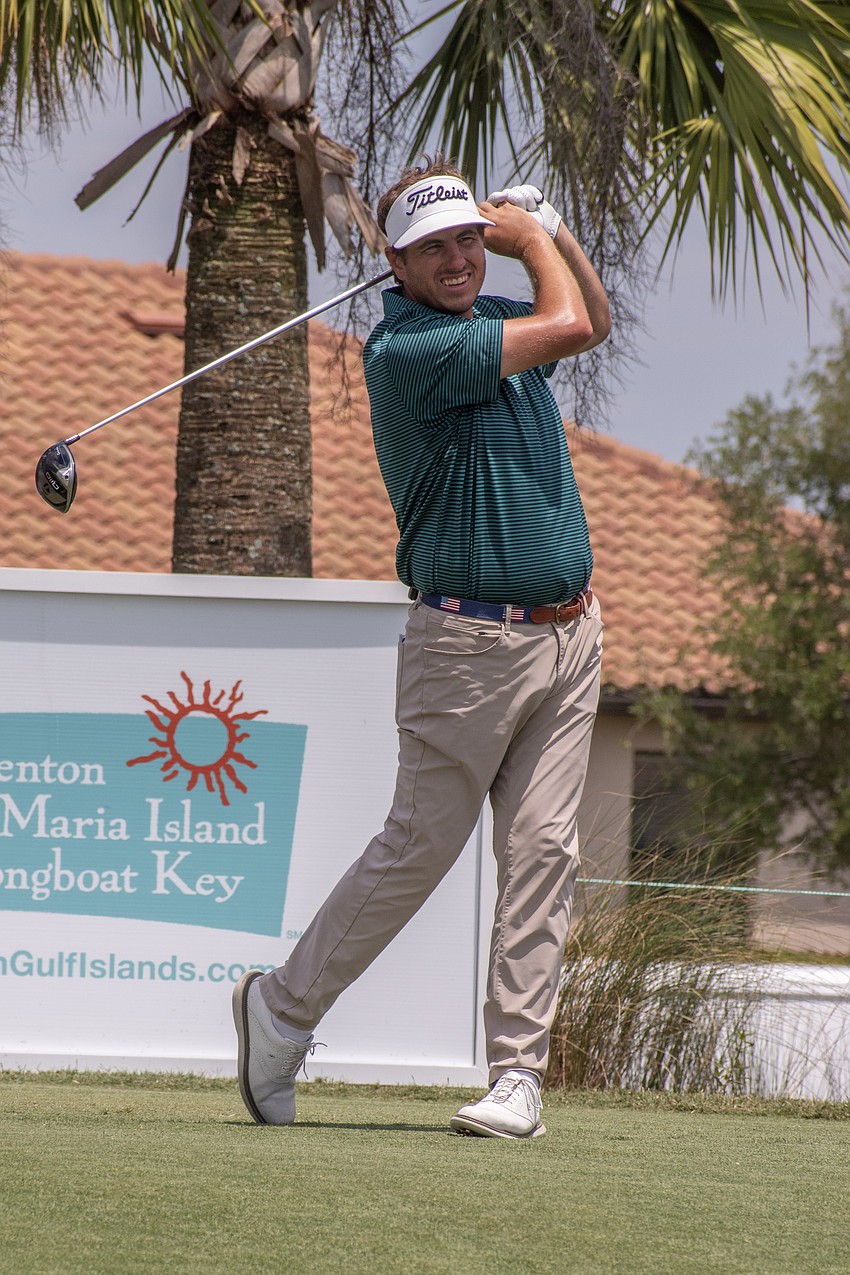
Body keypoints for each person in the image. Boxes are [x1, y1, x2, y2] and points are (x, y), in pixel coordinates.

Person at [232, 158, 610, 1140]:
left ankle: (516, 1077)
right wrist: (532, 238)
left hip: (570, 635)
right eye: (435, 245)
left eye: (467, 240)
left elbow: (593, 320)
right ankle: (281, 1008)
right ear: (393, 263)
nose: (458, 257)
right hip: (467, 647)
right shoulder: (409, 351)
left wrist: (552, 233)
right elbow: (567, 324)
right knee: (419, 851)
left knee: (542, 856)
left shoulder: (490, 327)